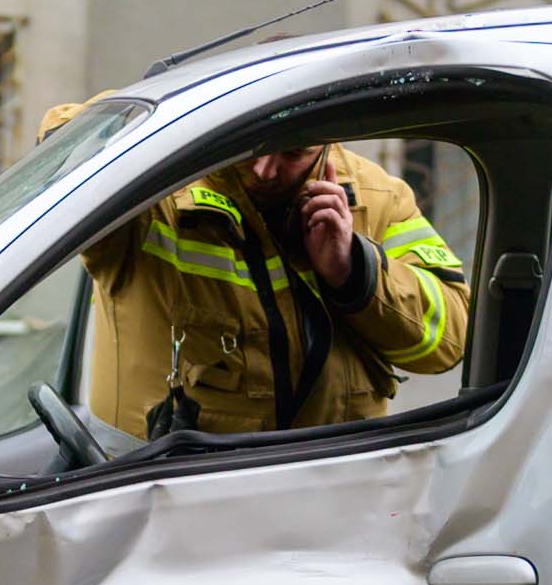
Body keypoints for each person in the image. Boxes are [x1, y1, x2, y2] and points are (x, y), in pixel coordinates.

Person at [41, 97, 470, 440]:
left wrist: (353, 270)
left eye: (294, 153)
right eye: (253, 147)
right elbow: (65, 146)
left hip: (336, 489)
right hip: (170, 493)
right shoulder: (161, 191)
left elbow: (448, 338)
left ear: (329, 141)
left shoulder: (377, 197)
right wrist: (168, 116)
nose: (265, 170)